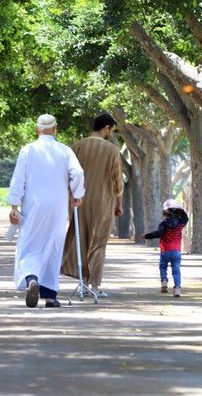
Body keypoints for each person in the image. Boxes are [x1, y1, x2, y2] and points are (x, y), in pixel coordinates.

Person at [7, 114, 85, 308]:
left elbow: (18, 179)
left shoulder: (28, 150)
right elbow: (78, 172)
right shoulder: (65, 150)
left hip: (33, 206)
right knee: (53, 246)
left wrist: (14, 206)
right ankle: (50, 296)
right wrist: (77, 194)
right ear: (55, 129)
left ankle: (31, 278)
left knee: (29, 245)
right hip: (58, 206)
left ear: (36, 129)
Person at [60, 112, 124, 298]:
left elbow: (67, 175)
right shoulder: (112, 150)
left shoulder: (77, 146)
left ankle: (83, 283)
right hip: (103, 202)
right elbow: (117, 180)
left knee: (80, 239)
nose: (111, 133)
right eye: (111, 130)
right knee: (98, 243)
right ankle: (94, 286)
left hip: (78, 201)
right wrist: (119, 202)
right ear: (106, 128)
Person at [144, 199, 189, 298]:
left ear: (165, 212)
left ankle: (164, 281)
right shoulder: (181, 223)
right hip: (176, 251)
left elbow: (158, 234)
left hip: (165, 250)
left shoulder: (164, 224)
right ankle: (177, 288)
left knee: (163, 266)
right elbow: (186, 218)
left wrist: (146, 236)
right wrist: (179, 209)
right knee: (176, 270)